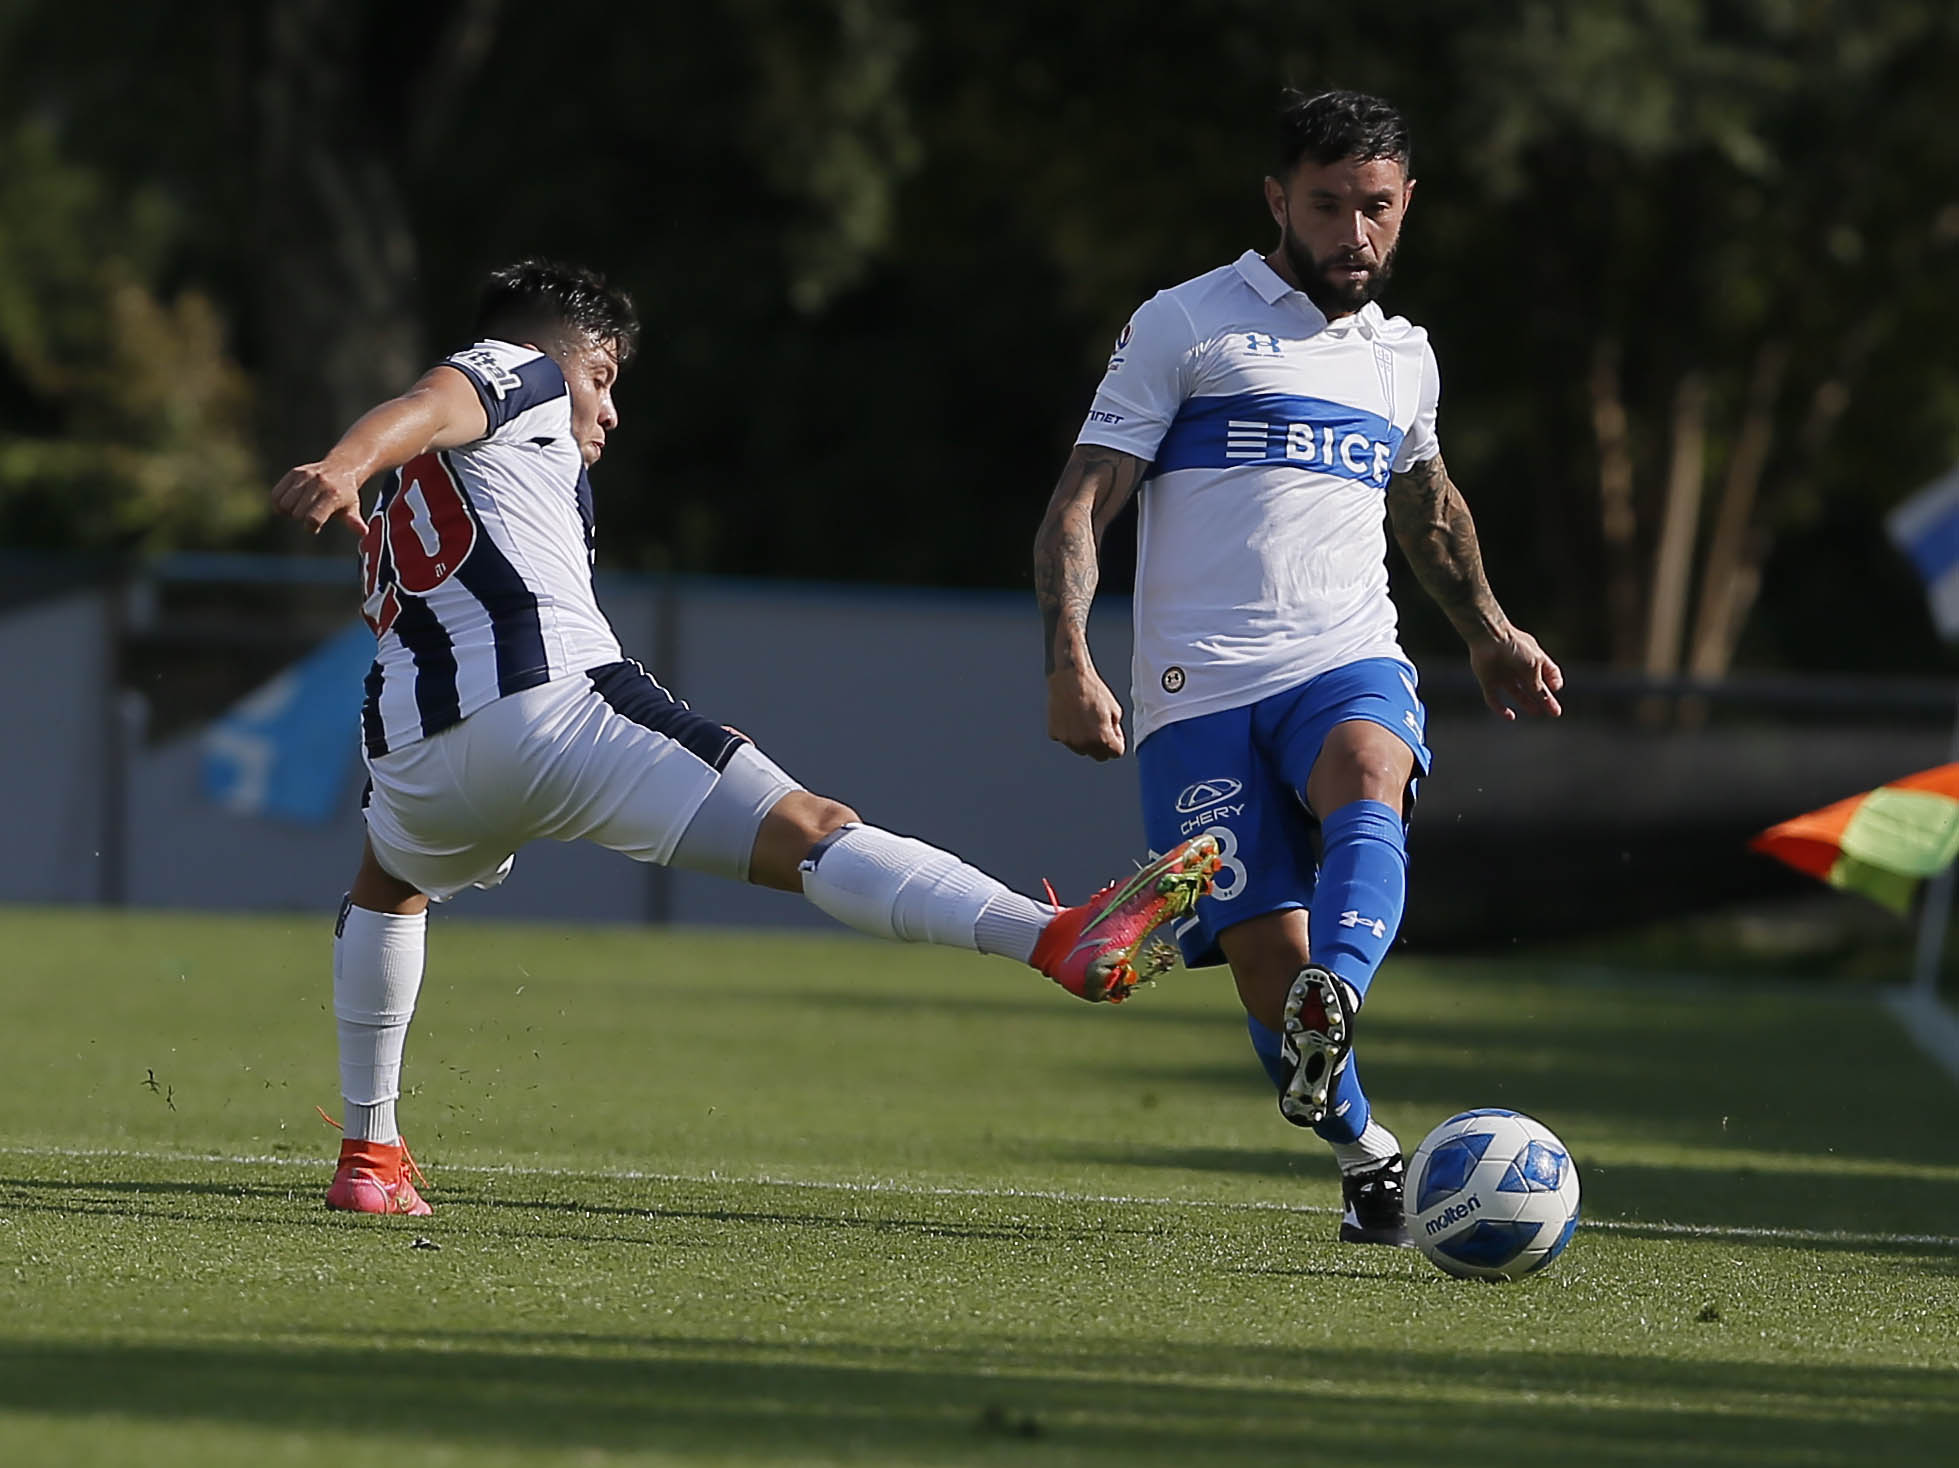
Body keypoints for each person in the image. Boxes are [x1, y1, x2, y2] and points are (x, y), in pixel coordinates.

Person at [272, 258, 1221, 1217]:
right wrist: (346, 460)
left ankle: (371, 1155)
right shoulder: (527, 372)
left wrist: (365, 472)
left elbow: (430, 440)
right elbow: (433, 396)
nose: (606, 412)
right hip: (552, 706)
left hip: (413, 752)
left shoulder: (432, 488)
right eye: (605, 381)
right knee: (812, 830)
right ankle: (1050, 936)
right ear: (566, 355)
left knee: (389, 890)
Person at [1032, 91, 1562, 1247]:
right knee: (1268, 969)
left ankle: (1346, 987)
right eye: (1328, 206)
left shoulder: (1401, 359)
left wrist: (1486, 627)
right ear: (1279, 201)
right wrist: (1070, 658)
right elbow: (1085, 498)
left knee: (1370, 768)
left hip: (1344, 654)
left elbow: (1428, 505)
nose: (1354, 233)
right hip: (1194, 693)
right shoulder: (1185, 323)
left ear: (1407, 203)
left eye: (1377, 208)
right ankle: (1369, 1155)